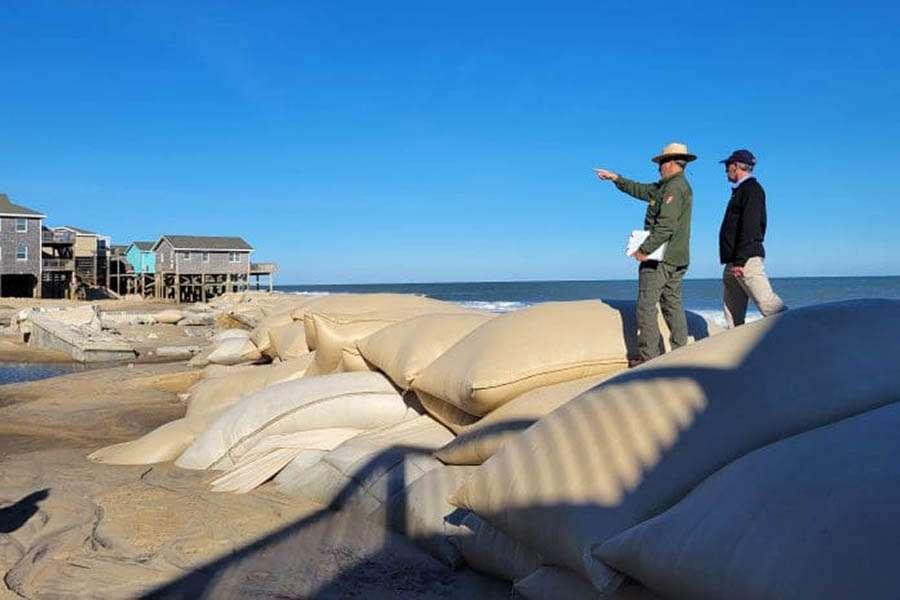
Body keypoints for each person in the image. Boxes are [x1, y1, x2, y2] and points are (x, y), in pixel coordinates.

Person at [596, 142, 694, 367]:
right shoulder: (667, 186)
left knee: (646, 306)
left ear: (671, 163)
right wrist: (616, 178)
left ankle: (649, 358)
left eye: (661, 163)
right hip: (677, 258)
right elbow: (640, 190)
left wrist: (644, 250)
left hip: (660, 258)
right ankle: (681, 354)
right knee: (672, 305)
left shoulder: (674, 188)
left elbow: (666, 226)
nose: (658, 167)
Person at [718, 149, 786, 327]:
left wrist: (740, 261)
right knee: (732, 313)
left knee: (768, 305)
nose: (726, 170)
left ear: (736, 166)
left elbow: (751, 227)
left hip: (746, 260)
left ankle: (798, 334)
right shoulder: (740, 190)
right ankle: (735, 342)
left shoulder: (752, 189)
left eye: (727, 166)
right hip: (734, 260)